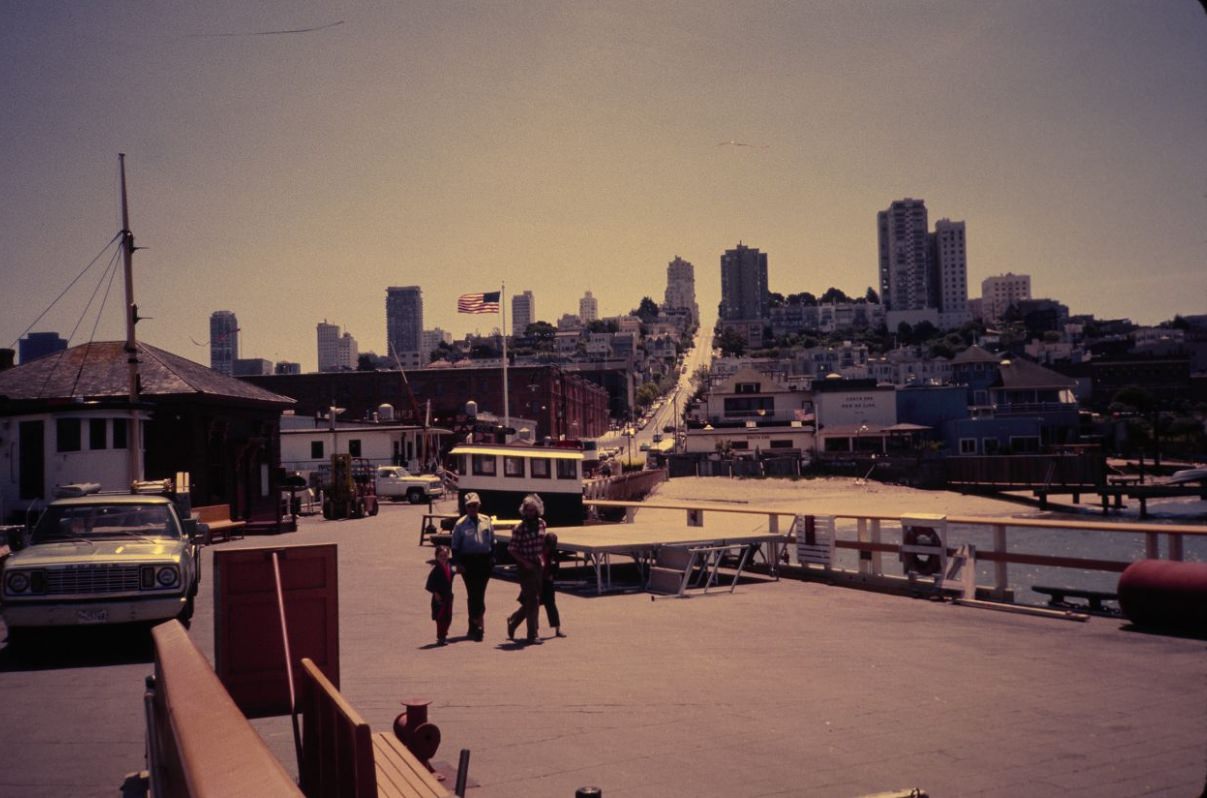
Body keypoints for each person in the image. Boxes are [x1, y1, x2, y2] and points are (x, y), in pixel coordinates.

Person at [450, 492, 494, 641]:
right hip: (468, 562)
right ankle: (476, 626)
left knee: (480, 594)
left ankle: (476, 625)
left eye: (475, 506)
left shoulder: (486, 520)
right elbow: (455, 546)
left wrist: (492, 559)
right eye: (469, 506)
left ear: (479, 506)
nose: (472, 509)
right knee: (473, 593)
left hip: (484, 561)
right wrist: (458, 564)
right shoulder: (460, 524)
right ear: (466, 507)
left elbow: (492, 541)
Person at [506, 494, 546, 645]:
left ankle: (513, 620)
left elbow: (542, 544)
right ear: (524, 511)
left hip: (537, 565)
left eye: (533, 510)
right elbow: (512, 549)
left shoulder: (542, 523)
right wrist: (524, 562)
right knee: (533, 599)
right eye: (528, 510)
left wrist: (542, 558)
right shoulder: (519, 528)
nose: (530, 513)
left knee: (533, 600)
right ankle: (532, 634)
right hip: (525, 566)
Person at [425, 545, 454, 646]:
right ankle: (441, 637)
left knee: (448, 617)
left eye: (445, 555)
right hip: (439, 598)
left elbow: (458, 569)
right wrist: (435, 593)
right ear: (437, 557)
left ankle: (444, 635)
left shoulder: (450, 567)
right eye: (441, 556)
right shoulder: (436, 570)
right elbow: (429, 585)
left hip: (448, 597)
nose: (443, 558)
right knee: (440, 618)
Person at [540, 531, 566, 638]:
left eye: (552, 545)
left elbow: (556, 567)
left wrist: (552, 575)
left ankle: (557, 629)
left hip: (548, 582)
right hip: (537, 581)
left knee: (551, 605)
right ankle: (513, 621)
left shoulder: (554, 553)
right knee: (529, 607)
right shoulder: (538, 552)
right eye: (548, 544)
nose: (550, 547)